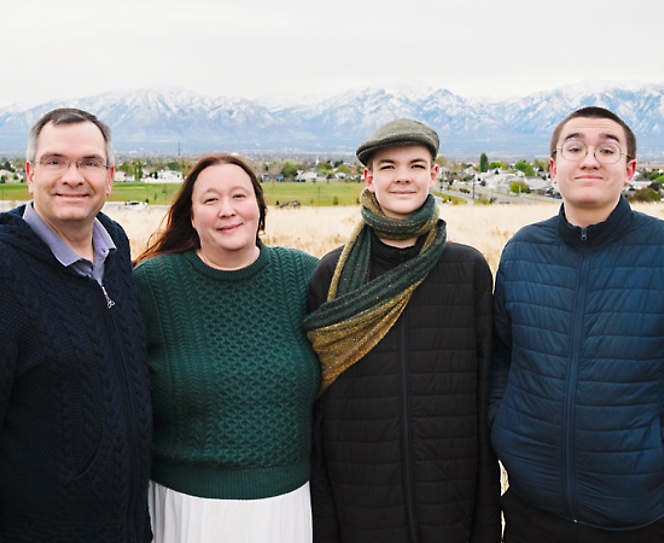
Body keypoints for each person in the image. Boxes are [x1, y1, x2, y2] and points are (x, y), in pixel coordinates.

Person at [303, 118, 501, 543]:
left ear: (434, 174)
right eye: (388, 166)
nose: (403, 177)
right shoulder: (332, 276)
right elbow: (318, 408)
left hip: (450, 490)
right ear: (369, 177)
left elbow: (485, 393)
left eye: (416, 165)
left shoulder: (466, 271)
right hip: (359, 495)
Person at [490, 106, 664, 542]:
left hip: (640, 517)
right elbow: (502, 355)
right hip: (532, 510)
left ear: (629, 169)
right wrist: (504, 425)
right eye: (575, 148)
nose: (589, 159)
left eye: (607, 148)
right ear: (553, 167)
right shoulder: (523, 250)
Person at [132, 153, 320, 543]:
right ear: (191, 215)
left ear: (259, 207)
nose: (227, 211)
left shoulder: (306, 276)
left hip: (285, 507)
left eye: (239, 196)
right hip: (184, 508)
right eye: (210, 200)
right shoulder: (152, 285)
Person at [0, 108, 152, 541]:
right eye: (55, 161)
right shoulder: (5, 269)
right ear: (29, 174)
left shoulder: (115, 246)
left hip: (126, 528)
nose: (73, 176)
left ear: (110, 176)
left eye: (89, 162)